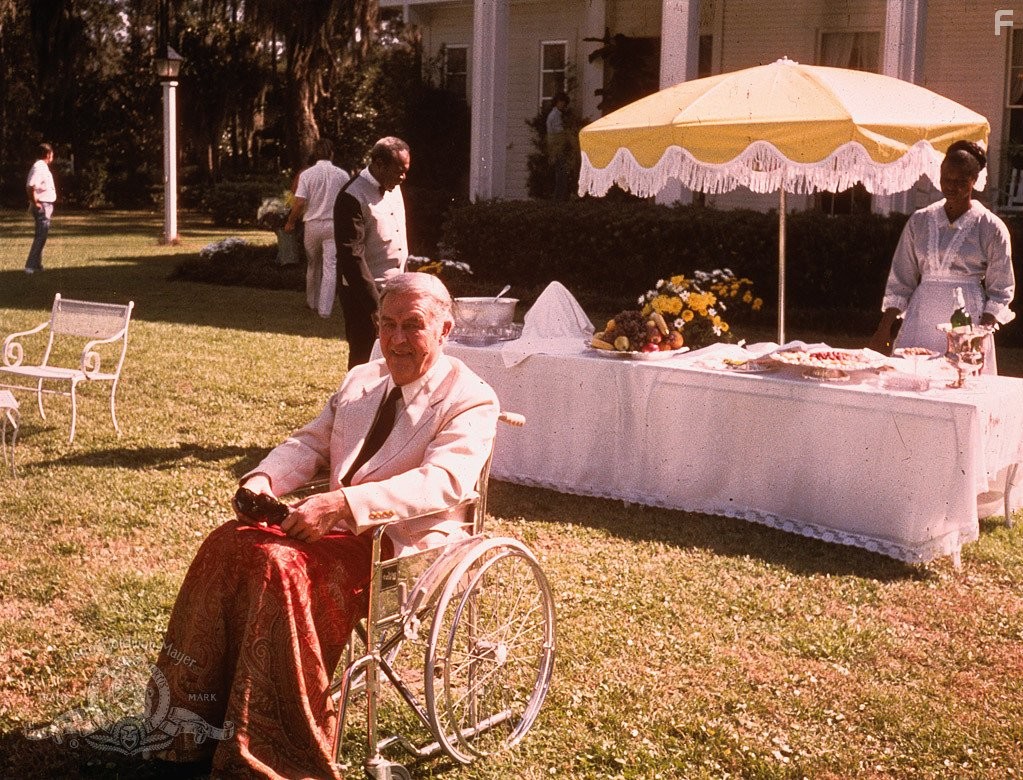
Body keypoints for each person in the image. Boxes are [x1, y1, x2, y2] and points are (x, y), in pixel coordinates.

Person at [147, 272, 499, 778]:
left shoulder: (471, 398)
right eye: (388, 324)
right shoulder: (362, 381)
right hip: (331, 527)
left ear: (445, 330)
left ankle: (272, 742)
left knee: (277, 565)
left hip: (402, 540)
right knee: (227, 542)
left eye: (413, 326)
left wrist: (342, 504)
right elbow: (310, 443)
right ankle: (190, 723)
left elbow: (443, 481)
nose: (397, 339)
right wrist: (265, 480)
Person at [869, 140, 1015, 372]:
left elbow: (1001, 290)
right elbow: (901, 281)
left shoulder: (990, 227)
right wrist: (883, 329)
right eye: (946, 179)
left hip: (967, 324)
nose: (951, 186)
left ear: (974, 180)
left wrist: (978, 337)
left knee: (959, 379)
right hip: (921, 317)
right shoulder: (919, 221)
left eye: (960, 181)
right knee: (912, 378)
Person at [334, 136, 411, 369]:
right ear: (378, 164)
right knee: (364, 358)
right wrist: (375, 306)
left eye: (405, 171)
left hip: (396, 288)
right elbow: (351, 256)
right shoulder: (351, 195)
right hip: (364, 294)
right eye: (398, 171)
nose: (403, 177)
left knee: (396, 356)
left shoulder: (394, 187)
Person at [285, 139, 350, 317]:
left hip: (312, 224)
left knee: (313, 264)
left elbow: (299, 202)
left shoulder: (307, 175)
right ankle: (325, 309)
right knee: (330, 266)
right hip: (333, 224)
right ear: (332, 154)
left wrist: (290, 221)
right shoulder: (342, 175)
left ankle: (312, 302)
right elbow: (348, 201)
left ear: (315, 154)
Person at [24, 142, 56, 274]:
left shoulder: (42, 167)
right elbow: (30, 186)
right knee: (41, 236)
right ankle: (30, 266)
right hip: (43, 204)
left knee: (41, 234)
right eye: (52, 153)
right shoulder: (39, 167)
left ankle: (37, 264)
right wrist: (35, 202)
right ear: (48, 154)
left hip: (45, 204)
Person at [546, 92, 572, 201]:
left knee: (561, 174)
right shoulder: (555, 115)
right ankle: (559, 199)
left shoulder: (557, 114)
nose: (562, 104)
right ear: (556, 102)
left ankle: (560, 198)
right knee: (561, 175)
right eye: (560, 102)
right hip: (558, 148)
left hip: (557, 147)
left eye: (563, 102)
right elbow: (558, 133)